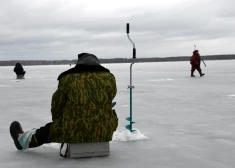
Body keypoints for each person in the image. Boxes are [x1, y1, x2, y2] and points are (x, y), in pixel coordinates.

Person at [10, 53, 118, 153]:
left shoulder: (68, 79)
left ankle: (21, 141)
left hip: (72, 130)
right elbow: (109, 100)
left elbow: (57, 105)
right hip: (105, 130)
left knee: (47, 132)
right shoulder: (109, 78)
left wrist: (58, 123)